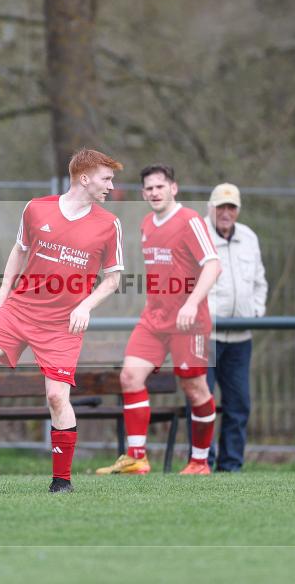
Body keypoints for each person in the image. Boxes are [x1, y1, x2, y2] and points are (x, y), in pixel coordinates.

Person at [0, 148, 126, 493]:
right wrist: (2, 294)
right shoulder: (36, 208)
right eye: (106, 178)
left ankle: (61, 482)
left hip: (63, 323)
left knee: (57, 398)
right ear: (85, 177)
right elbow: (19, 250)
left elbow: (113, 279)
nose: (111, 185)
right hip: (20, 308)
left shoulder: (109, 224)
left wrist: (85, 306)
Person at [96, 164, 221, 476]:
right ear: (143, 193)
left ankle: (200, 462)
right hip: (154, 319)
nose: (154, 193)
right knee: (130, 377)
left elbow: (213, 266)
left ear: (173, 189)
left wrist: (191, 303)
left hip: (187, 321)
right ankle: (137, 458)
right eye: (149, 188)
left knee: (194, 388)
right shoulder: (146, 224)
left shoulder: (189, 220)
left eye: (160, 187)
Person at [203, 183, 267, 472]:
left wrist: (255, 312)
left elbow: (259, 282)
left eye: (231, 208)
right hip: (205, 336)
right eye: (221, 207)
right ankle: (202, 461)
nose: (226, 213)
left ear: (238, 210)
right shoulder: (198, 235)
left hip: (241, 337)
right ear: (211, 208)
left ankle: (231, 466)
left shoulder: (249, 238)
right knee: (202, 403)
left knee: (239, 404)